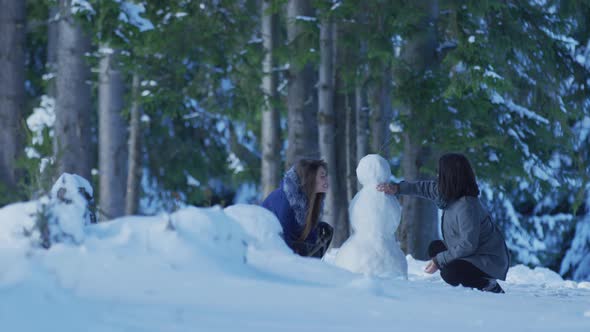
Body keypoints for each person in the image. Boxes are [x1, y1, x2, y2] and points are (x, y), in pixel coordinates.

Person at [377, 153, 510, 293]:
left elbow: (468, 245)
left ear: (450, 176)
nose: (438, 176)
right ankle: (467, 273)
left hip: (486, 259)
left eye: (440, 173)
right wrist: (397, 188)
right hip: (471, 253)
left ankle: (487, 284)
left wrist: (438, 261)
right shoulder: (448, 193)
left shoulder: (466, 207)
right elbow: (424, 188)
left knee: (450, 273)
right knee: (435, 248)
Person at [262, 159, 333, 258]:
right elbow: (284, 245)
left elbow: (309, 237)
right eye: (322, 176)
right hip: (266, 246)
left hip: (288, 244)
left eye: (326, 175)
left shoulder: (314, 199)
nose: (327, 179)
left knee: (325, 231)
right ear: (310, 179)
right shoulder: (286, 202)